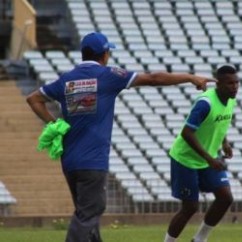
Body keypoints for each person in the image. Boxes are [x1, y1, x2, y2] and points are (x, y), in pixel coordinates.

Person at [26, 31, 216, 242]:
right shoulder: (108, 75)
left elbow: (33, 99)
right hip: (93, 159)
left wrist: (54, 124)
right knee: (91, 211)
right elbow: (152, 78)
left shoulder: (66, 79)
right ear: (104, 54)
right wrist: (190, 77)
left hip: (70, 160)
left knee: (88, 213)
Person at [164, 65, 239, 242]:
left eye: (237, 83)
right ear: (218, 84)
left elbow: (219, 123)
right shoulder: (205, 103)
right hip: (186, 159)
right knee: (190, 207)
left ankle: (199, 240)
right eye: (230, 83)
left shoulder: (231, 99)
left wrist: (224, 142)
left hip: (209, 158)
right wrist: (210, 159)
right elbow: (186, 133)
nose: (235, 87)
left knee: (225, 198)